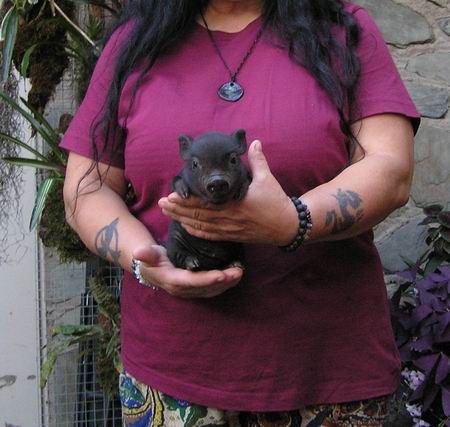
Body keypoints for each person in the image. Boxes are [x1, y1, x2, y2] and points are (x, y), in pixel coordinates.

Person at [60, 0, 421, 425]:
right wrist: (144, 259)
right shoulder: (135, 41)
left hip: (329, 371)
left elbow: (390, 168)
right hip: (173, 377)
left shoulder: (341, 29)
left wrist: (296, 221)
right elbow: (87, 188)